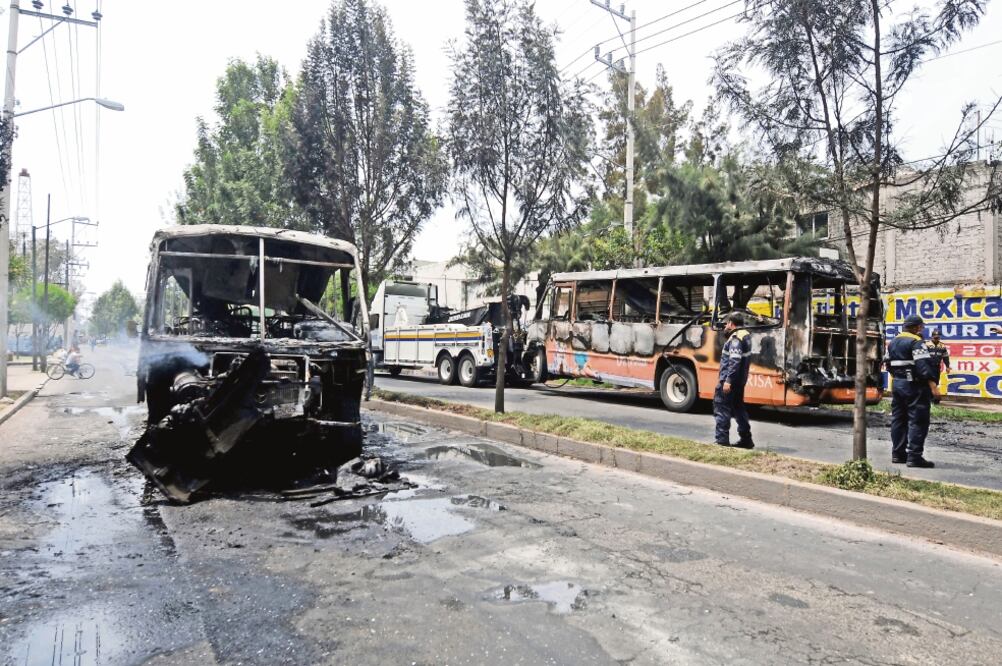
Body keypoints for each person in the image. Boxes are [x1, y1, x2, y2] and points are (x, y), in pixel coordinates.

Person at [887, 315, 939, 468]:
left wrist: (899, 377)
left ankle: (898, 454)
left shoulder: (893, 342)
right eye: (921, 327)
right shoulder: (916, 342)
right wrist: (933, 387)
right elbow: (923, 367)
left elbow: (887, 364)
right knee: (918, 420)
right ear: (916, 327)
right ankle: (914, 457)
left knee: (898, 419)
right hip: (914, 386)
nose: (922, 329)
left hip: (897, 384)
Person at [714, 312, 754, 449]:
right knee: (738, 409)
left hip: (730, 381)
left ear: (731, 323)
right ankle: (746, 439)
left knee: (721, 408)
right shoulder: (746, 335)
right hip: (740, 381)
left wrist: (728, 381)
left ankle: (721, 441)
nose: (725, 326)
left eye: (726, 323)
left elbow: (734, 361)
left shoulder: (736, 338)